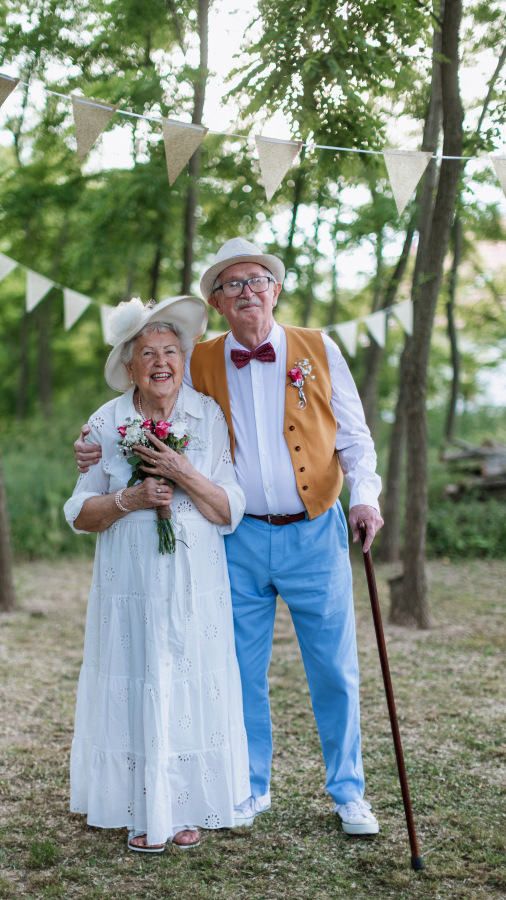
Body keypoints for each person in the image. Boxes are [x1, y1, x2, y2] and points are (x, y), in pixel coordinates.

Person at [75, 238, 384, 837]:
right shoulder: (200, 358)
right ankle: (248, 785)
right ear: (216, 302)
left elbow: (356, 435)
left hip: (315, 530)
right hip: (235, 539)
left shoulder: (320, 348)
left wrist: (365, 496)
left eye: (257, 280)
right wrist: (92, 443)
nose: (248, 291)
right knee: (237, 670)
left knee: (334, 670)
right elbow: (141, 404)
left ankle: (349, 792)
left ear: (275, 289)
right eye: (233, 284)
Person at [64, 295, 250, 853]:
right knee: (137, 679)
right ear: (130, 366)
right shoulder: (106, 421)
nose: (162, 362)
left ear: (184, 359)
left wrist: (180, 471)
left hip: (196, 585)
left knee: (191, 684)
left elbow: (227, 509)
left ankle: (187, 805)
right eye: (149, 353)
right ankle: (139, 807)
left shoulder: (208, 415)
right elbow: (79, 514)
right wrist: (131, 497)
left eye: (171, 350)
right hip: (131, 589)